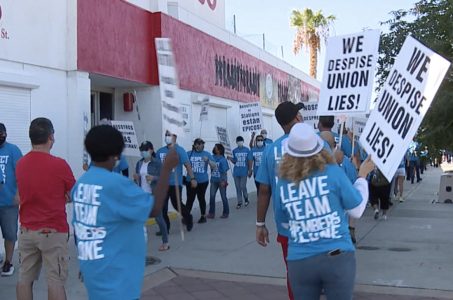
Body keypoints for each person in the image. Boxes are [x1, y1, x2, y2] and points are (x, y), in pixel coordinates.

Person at [72, 125, 178, 299]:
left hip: (96, 278)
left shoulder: (81, 184)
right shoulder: (115, 184)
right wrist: (166, 170)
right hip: (117, 284)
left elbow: (81, 229)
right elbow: (154, 208)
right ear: (116, 153)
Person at [276, 123, 374, 300]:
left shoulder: (283, 183)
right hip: (337, 255)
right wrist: (362, 176)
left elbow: (283, 223)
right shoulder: (333, 173)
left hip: (300, 260)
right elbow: (357, 210)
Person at [15, 118, 75, 300]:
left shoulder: (21, 164)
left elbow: (19, 195)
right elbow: (74, 194)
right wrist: (61, 197)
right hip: (53, 230)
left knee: (24, 278)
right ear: (51, 137)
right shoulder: (59, 165)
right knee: (55, 280)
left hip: (26, 230)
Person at [256, 101, 305, 300]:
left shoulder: (270, 150)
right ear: (298, 118)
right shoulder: (317, 144)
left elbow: (264, 191)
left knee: (293, 274)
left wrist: (260, 224)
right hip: (317, 224)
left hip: (286, 226)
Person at [156, 131, 195, 232]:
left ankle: (188, 218)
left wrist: (192, 178)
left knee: (176, 204)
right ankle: (165, 228)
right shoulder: (160, 151)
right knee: (162, 207)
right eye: (166, 135)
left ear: (175, 137)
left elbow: (187, 165)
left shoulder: (180, 150)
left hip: (175, 183)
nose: (167, 137)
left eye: (169, 135)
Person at [134, 141, 169, 251]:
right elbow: (138, 179)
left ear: (151, 150)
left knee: (159, 218)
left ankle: (165, 241)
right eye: (142, 150)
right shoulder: (139, 163)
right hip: (142, 195)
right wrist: (136, 178)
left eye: (145, 150)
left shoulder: (157, 163)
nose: (143, 152)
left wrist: (154, 178)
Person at [0, 122, 22, 276]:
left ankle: (8, 262)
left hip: (8, 202)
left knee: (9, 233)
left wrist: (19, 193)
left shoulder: (13, 150)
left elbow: (22, 174)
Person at [185, 138, 216, 223]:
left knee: (201, 198)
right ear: (195, 145)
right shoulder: (189, 154)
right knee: (190, 199)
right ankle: (186, 216)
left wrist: (208, 160)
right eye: (199, 144)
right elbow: (184, 164)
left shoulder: (207, 154)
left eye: (202, 144)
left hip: (203, 181)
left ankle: (203, 216)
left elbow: (214, 166)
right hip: (190, 180)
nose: (201, 145)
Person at [228, 136, 252, 209]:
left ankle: (246, 198)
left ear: (243, 141)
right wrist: (230, 158)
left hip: (244, 171)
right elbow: (235, 161)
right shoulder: (234, 150)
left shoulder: (247, 150)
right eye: (238, 141)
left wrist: (249, 170)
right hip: (236, 172)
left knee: (242, 186)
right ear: (236, 142)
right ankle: (239, 202)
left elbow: (249, 160)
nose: (239, 142)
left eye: (241, 141)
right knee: (238, 187)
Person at [207, 144, 230, 219]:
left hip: (221, 180)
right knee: (212, 196)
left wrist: (223, 181)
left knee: (223, 197)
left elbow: (224, 171)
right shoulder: (212, 157)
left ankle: (226, 212)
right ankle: (211, 213)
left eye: (215, 148)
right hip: (213, 180)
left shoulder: (223, 159)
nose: (214, 148)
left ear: (219, 150)